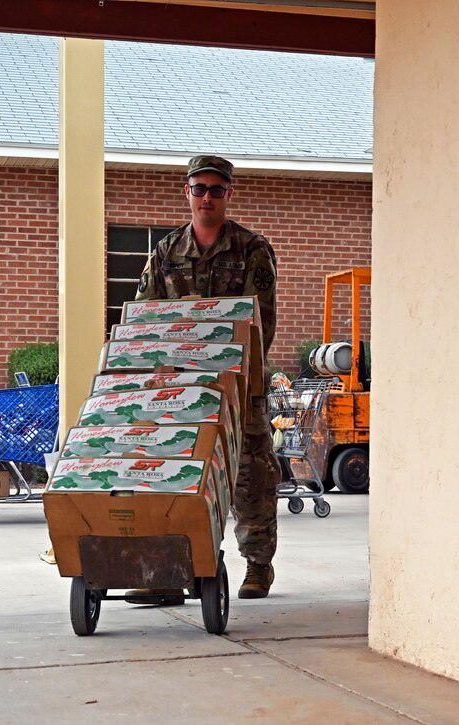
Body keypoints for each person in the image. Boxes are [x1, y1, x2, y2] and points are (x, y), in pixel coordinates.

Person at [128, 154, 281, 600]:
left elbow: (261, 323)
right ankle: (173, 571)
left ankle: (257, 565)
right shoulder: (166, 252)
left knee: (249, 473)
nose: (207, 197)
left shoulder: (252, 249)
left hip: (240, 384)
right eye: (199, 188)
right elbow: (145, 319)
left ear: (229, 194)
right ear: (187, 193)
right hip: (181, 388)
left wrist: (232, 370)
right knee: (175, 473)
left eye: (217, 189)